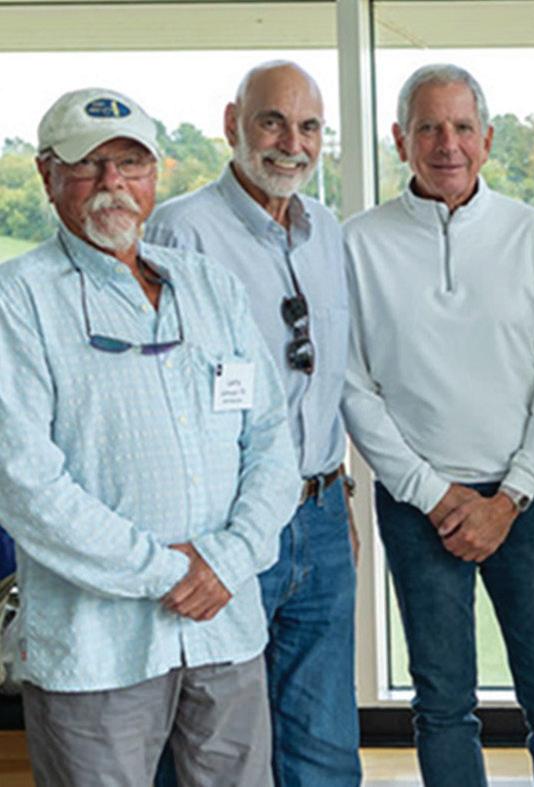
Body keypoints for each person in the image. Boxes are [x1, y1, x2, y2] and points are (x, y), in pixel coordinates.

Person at [0, 87, 298, 784]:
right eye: (88, 164)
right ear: (46, 174)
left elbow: (270, 439)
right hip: (97, 647)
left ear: (155, 173)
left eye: (130, 163)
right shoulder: (18, 299)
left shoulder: (210, 286)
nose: (113, 182)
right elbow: (24, 482)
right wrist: (171, 573)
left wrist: (228, 559)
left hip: (223, 628)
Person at [341, 63, 534, 787]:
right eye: (428, 128)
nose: (445, 144)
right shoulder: (357, 243)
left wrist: (508, 498)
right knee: (442, 705)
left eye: (460, 127)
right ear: (400, 140)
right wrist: (433, 494)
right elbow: (353, 387)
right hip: (417, 508)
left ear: (486, 139)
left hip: (527, 504)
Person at [146, 60, 361, 787]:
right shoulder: (181, 232)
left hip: (320, 515)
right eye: (273, 122)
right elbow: (164, 395)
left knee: (325, 748)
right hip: (226, 525)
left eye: (309, 127)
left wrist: (340, 491)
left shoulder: (326, 231)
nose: (291, 144)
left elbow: (325, 379)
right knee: (215, 746)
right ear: (232, 124)